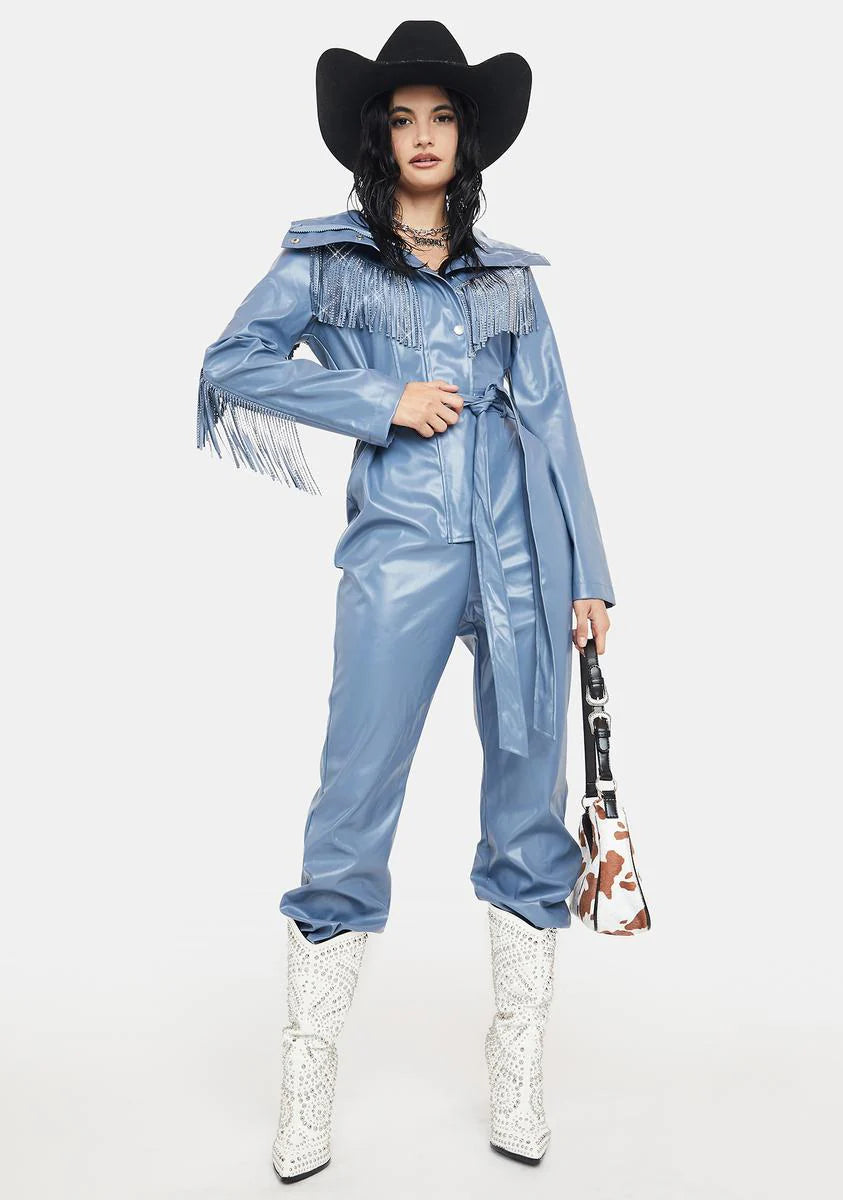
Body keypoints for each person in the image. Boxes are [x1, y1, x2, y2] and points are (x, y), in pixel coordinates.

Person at [197, 20, 615, 1184]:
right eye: (402, 118)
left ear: (465, 139)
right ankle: (308, 1075)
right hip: (400, 552)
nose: (423, 136)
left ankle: (517, 1068)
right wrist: (379, 401)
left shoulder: (508, 280)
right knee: (354, 795)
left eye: (441, 117)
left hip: (524, 554)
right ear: (376, 138)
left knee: (530, 798)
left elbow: (555, 421)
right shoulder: (326, 261)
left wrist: (589, 574)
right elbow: (230, 362)